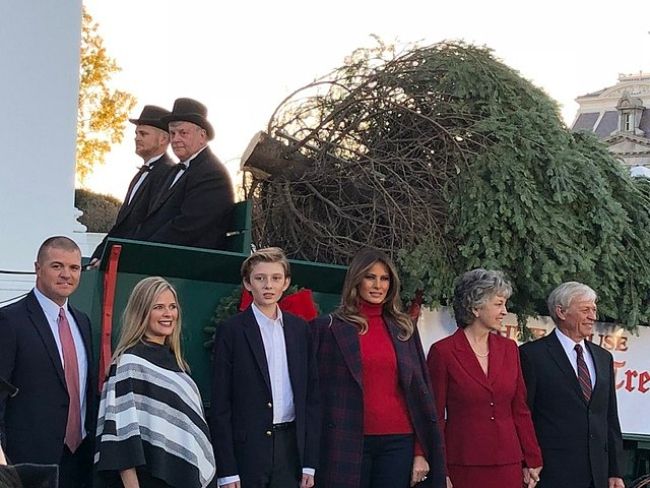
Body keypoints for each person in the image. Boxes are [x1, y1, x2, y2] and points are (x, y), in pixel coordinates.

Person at [311, 248, 446, 488]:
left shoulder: (404, 329)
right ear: (356, 280)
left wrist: (419, 451)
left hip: (398, 442)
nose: (378, 285)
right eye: (370, 277)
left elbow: (420, 393)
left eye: (384, 279)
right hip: (346, 440)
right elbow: (315, 394)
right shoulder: (329, 328)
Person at [210, 247, 319, 488]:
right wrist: (227, 470)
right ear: (248, 284)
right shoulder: (232, 331)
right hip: (247, 452)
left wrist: (309, 462)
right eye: (260, 278)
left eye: (275, 278)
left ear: (286, 283)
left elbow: (310, 397)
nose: (268, 285)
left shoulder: (300, 330)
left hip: (290, 450)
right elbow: (221, 405)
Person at [95, 276, 216, 488]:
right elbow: (120, 437)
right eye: (158, 307)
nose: (168, 314)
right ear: (142, 312)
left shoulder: (179, 367)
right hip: (147, 479)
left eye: (172, 307)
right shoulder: (129, 364)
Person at [426, 269, 542, 488]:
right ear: (476, 307)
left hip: (508, 462)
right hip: (463, 462)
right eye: (498, 304)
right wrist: (441, 468)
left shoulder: (509, 349)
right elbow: (435, 415)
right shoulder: (443, 352)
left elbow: (520, 409)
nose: (504, 311)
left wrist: (532, 459)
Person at [0, 236, 97, 487]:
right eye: (57, 266)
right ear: (37, 268)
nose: (66, 274)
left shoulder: (83, 322)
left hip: (79, 461)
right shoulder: (10, 322)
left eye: (74, 268)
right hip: (27, 467)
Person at [519, 282, 624, 488]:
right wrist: (527, 462)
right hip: (552, 474)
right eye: (585, 310)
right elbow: (524, 415)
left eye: (594, 309)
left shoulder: (603, 358)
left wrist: (615, 472)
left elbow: (609, 418)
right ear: (561, 312)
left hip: (598, 475)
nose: (593, 316)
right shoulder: (532, 356)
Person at [133, 97, 234, 250]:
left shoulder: (211, 174)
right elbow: (152, 221)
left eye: (183, 133)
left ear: (202, 136)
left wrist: (139, 251)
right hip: (169, 255)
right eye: (172, 133)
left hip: (191, 262)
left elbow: (187, 227)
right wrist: (129, 247)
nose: (175, 139)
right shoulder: (176, 171)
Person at [89, 104, 175, 266]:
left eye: (143, 133)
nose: (137, 138)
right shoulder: (139, 176)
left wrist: (117, 260)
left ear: (163, 139)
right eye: (136, 133)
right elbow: (121, 226)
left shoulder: (168, 174)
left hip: (136, 264)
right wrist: (99, 255)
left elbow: (148, 226)